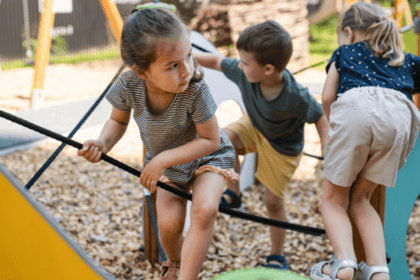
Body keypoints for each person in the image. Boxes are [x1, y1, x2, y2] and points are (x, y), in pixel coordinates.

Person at [77, 6, 239, 280]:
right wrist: (103, 143)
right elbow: (117, 122)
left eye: (188, 56)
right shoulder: (129, 85)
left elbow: (210, 140)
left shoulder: (195, 88)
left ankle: (187, 276)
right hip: (171, 167)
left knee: (205, 209)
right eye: (173, 65)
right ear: (141, 71)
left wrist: (161, 159)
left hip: (208, 158)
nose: (187, 70)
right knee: (168, 223)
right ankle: (173, 264)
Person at [195, 20, 329, 270]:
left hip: (282, 148)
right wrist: (187, 56)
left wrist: (327, 148)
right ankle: (233, 193)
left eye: (245, 62)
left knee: (272, 203)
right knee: (222, 140)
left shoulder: (295, 96)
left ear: (268, 69)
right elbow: (215, 61)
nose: (240, 65)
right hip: (256, 126)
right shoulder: (244, 72)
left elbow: (319, 116)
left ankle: (277, 254)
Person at [309, 2, 420, 280]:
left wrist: (339, 132)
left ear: (348, 31)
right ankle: (378, 270)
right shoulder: (405, 58)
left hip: (356, 110)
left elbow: (326, 97)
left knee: (334, 199)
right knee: (361, 199)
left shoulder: (345, 52)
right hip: (399, 119)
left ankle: (344, 264)